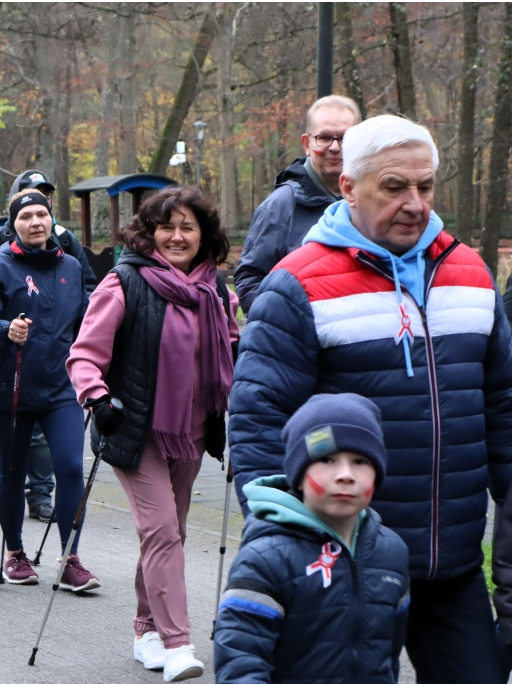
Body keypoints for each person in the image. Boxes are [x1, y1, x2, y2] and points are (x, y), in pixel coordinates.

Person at [228, 115, 512, 682]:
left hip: (450, 561)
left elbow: (503, 406)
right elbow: (258, 421)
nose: (414, 203)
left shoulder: (471, 274)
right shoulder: (297, 284)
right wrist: (281, 539)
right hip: (341, 565)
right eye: (394, 187)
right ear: (349, 188)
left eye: (425, 186)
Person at [67, 185, 236, 683]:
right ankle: (178, 644)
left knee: (170, 533)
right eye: (167, 226)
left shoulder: (215, 290)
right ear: (150, 232)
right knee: (162, 532)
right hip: (134, 429)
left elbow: (231, 348)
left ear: (203, 235)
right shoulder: (125, 283)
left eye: (188, 226)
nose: (177, 236)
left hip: (193, 432)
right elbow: (84, 354)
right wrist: (97, 399)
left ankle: (145, 630)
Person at [214, 394, 410, 683]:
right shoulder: (266, 558)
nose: (345, 474)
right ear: (299, 473)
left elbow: (387, 658)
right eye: (327, 459)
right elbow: (241, 664)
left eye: (360, 460)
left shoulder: (392, 553)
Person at [0, 189, 98, 591]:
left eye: (41, 215)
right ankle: (15, 553)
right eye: (26, 216)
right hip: (11, 386)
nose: (35, 223)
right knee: (12, 471)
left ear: (51, 220)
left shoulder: (73, 268)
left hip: (61, 386)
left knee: (70, 467)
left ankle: (70, 558)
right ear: (15, 224)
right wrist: (5, 330)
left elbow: (85, 324)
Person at [234, 95, 361, 314]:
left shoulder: (371, 202)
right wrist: (292, 326)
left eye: (345, 138)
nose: (335, 147)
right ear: (307, 144)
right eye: (324, 137)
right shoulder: (279, 207)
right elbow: (250, 283)